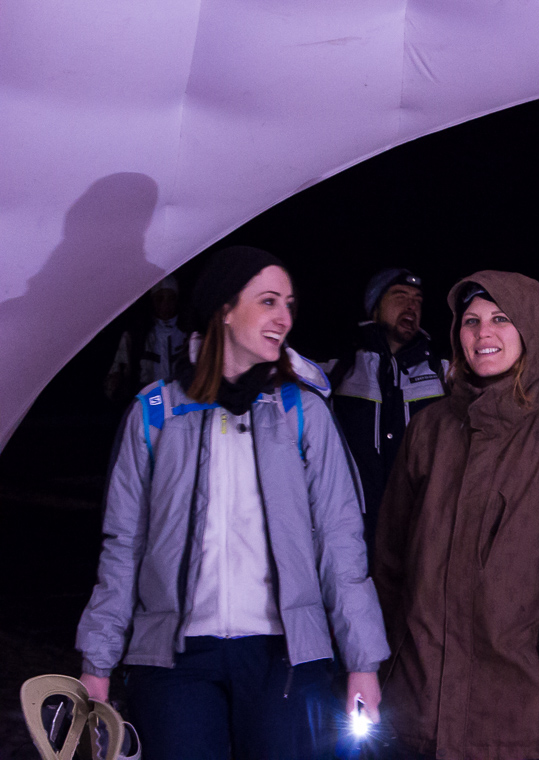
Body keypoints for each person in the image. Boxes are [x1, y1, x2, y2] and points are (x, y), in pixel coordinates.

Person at [76, 247, 390, 760]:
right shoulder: (155, 413)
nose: (284, 317)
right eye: (268, 301)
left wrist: (362, 662)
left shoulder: (302, 412)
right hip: (173, 661)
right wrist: (97, 663)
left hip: (284, 657)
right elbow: (123, 546)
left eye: (288, 304)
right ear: (224, 308)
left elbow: (341, 544)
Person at [373, 270, 539, 760]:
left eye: (500, 318)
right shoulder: (428, 430)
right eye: (471, 321)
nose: (483, 332)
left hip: (517, 714)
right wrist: (385, 660)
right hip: (417, 706)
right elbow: (389, 561)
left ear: (529, 329)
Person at [326, 268, 447, 566]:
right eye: (400, 297)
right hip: (355, 535)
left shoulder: (442, 372)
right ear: (375, 308)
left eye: (417, 300)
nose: (411, 306)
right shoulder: (340, 367)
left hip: (420, 535)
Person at [104, 276, 187, 402]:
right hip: (145, 403)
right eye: (160, 299)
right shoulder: (136, 335)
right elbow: (115, 377)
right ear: (152, 300)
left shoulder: (187, 334)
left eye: (171, 299)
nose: (165, 305)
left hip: (179, 402)